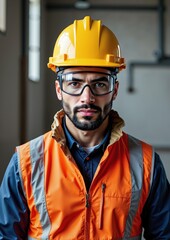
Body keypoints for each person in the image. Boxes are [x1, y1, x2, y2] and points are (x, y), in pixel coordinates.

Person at [0, 16, 169, 240]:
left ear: (114, 90)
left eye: (99, 83)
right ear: (59, 89)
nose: (86, 98)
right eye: (74, 83)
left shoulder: (146, 164)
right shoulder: (26, 163)